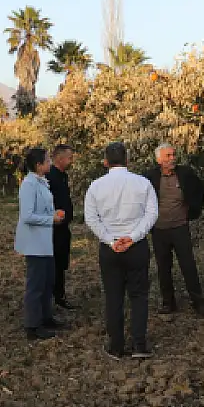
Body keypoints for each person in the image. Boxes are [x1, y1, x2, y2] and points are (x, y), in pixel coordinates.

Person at [83, 141, 158, 358]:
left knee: (113, 297)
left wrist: (109, 239)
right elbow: (151, 214)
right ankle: (139, 345)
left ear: (105, 162)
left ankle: (116, 346)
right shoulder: (142, 183)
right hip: (136, 247)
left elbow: (91, 218)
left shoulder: (96, 186)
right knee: (139, 295)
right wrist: (133, 237)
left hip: (110, 248)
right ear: (127, 160)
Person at [144, 143, 204, 316]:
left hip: (180, 227)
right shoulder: (150, 177)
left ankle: (198, 302)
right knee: (163, 267)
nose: (172, 159)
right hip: (159, 230)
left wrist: (192, 211)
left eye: (173, 155)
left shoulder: (185, 173)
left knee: (188, 265)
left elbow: (199, 190)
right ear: (159, 160)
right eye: (168, 156)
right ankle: (168, 303)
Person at [15, 147, 65, 341]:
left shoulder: (41, 182)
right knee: (36, 284)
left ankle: (46, 317)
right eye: (47, 161)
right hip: (34, 243)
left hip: (44, 241)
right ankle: (33, 325)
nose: (50, 164)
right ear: (38, 165)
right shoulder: (29, 185)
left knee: (47, 281)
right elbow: (27, 216)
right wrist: (51, 219)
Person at [48, 143, 76, 309]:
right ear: (60, 158)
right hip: (53, 228)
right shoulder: (50, 176)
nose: (71, 161)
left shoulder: (63, 175)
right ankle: (54, 296)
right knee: (55, 263)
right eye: (69, 157)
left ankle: (60, 294)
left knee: (61, 261)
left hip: (63, 227)